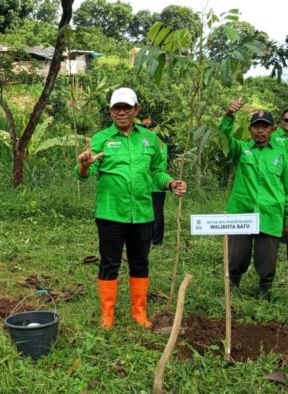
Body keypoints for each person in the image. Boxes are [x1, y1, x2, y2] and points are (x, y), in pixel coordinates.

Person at [76, 88, 187, 330]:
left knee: (140, 262)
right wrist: (84, 165)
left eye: (127, 107)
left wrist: (170, 183)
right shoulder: (101, 138)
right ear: (110, 111)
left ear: (137, 109)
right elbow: (86, 174)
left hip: (142, 213)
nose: (122, 112)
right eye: (117, 107)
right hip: (110, 213)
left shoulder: (150, 140)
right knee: (109, 263)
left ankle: (139, 313)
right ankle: (107, 316)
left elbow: (157, 172)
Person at [220, 98, 288, 301]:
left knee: (267, 259)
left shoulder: (281, 156)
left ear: (272, 129)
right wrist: (228, 116)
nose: (260, 131)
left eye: (265, 127)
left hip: (269, 214)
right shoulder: (241, 150)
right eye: (256, 127)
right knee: (236, 256)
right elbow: (224, 137)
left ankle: (264, 291)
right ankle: (232, 288)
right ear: (250, 129)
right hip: (241, 212)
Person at [142, 117, 168, 246]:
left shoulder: (158, 144)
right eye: (143, 126)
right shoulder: (148, 142)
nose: (145, 129)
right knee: (150, 211)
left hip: (156, 184)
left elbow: (159, 167)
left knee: (156, 212)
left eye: (148, 127)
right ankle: (151, 237)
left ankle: (157, 239)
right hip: (146, 184)